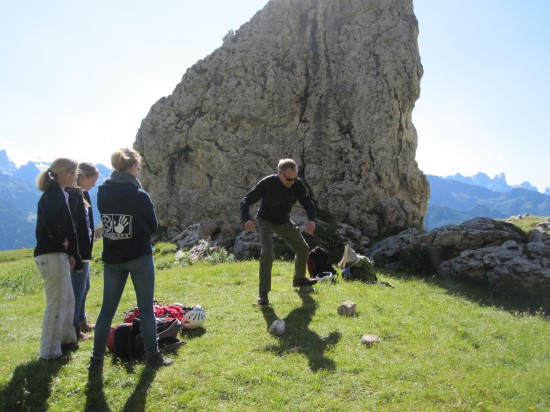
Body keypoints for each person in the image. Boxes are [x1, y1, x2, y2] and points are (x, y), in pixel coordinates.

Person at [88, 147, 172, 375]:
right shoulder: (139, 195)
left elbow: (108, 220)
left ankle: (96, 361)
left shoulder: (103, 193)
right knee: (146, 308)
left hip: (113, 258)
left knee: (107, 310)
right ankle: (153, 356)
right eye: (138, 167)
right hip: (139, 256)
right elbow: (153, 226)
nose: (139, 171)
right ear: (133, 167)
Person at [240, 158, 318, 306]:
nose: (292, 182)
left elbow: (309, 205)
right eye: (289, 179)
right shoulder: (267, 183)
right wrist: (246, 219)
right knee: (268, 252)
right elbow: (245, 200)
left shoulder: (297, 184)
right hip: (265, 220)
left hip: (283, 221)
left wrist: (312, 220)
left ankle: (299, 280)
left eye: (294, 178)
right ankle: (263, 295)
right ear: (280, 174)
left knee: (303, 248)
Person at [35, 158, 81, 360]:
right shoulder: (52, 195)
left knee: (68, 300)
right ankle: (49, 351)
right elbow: (50, 220)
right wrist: (62, 240)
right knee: (56, 303)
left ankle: (66, 340)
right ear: (65, 173)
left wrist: (69, 253)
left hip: (58, 254)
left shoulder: (59, 193)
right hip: (51, 254)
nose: (76, 177)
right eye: (74, 173)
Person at [67, 162, 99, 341]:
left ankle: (81, 320)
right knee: (78, 289)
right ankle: (75, 330)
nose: (95, 184)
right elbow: (76, 227)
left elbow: (89, 225)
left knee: (85, 287)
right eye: (93, 180)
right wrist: (77, 255)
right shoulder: (73, 196)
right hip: (79, 251)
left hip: (85, 249)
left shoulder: (83, 194)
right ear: (83, 177)